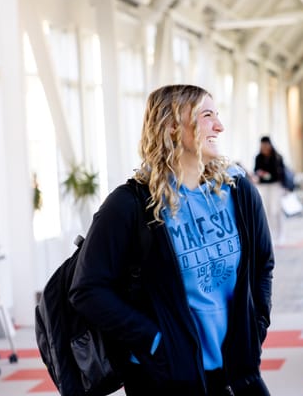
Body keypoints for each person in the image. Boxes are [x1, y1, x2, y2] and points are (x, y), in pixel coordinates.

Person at [69, 84, 274, 395]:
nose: (219, 126)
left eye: (217, 115)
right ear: (172, 126)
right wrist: (155, 340)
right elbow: (87, 289)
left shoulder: (238, 192)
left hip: (237, 371)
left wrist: (256, 325)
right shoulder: (131, 205)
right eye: (207, 116)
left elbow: (262, 264)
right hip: (167, 378)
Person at [253, 136, 288, 244]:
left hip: (275, 186)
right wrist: (260, 174)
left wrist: (284, 187)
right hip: (264, 187)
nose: (264, 148)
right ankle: (270, 235)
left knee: (276, 210)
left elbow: (281, 173)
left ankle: (280, 234)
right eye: (262, 146)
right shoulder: (258, 157)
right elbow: (256, 170)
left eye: (265, 145)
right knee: (267, 211)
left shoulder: (277, 157)